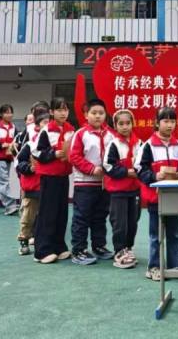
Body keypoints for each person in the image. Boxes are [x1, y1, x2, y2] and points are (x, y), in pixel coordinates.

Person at [135, 106, 178, 281]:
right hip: (156, 198)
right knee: (156, 235)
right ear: (157, 123)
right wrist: (155, 176)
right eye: (166, 121)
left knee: (174, 234)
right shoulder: (148, 145)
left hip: (175, 197)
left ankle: (175, 266)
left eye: (172, 121)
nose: (169, 125)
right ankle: (154, 267)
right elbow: (139, 169)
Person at [69, 99, 114, 265]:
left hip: (104, 183)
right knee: (81, 217)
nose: (97, 116)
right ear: (86, 115)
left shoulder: (111, 134)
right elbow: (74, 157)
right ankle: (78, 250)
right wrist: (91, 169)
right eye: (94, 113)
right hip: (84, 183)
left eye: (101, 113)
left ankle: (99, 246)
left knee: (100, 216)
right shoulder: (81, 134)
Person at [32, 97, 74, 264]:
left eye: (65, 109)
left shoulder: (71, 130)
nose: (63, 113)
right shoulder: (46, 130)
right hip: (49, 177)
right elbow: (36, 152)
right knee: (47, 213)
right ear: (51, 112)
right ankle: (42, 250)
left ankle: (59, 246)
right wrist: (53, 154)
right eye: (59, 110)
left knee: (61, 213)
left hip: (64, 175)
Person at [103, 109, 141, 269]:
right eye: (121, 124)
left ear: (133, 124)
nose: (125, 127)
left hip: (135, 190)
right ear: (115, 125)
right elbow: (107, 166)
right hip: (118, 191)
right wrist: (126, 172)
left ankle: (128, 248)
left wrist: (138, 171)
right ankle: (119, 251)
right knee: (120, 223)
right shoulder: (113, 144)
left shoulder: (139, 143)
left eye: (128, 123)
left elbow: (143, 163)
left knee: (133, 222)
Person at [15, 110, 45, 256]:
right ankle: (24, 241)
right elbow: (19, 164)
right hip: (32, 188)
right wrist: (29, 168)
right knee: (28, 216)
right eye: (44, 123)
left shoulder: (52, 144)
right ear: (37, 126)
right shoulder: (30, 144)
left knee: (44, 217)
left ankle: (41, 242)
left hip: (47, 187)